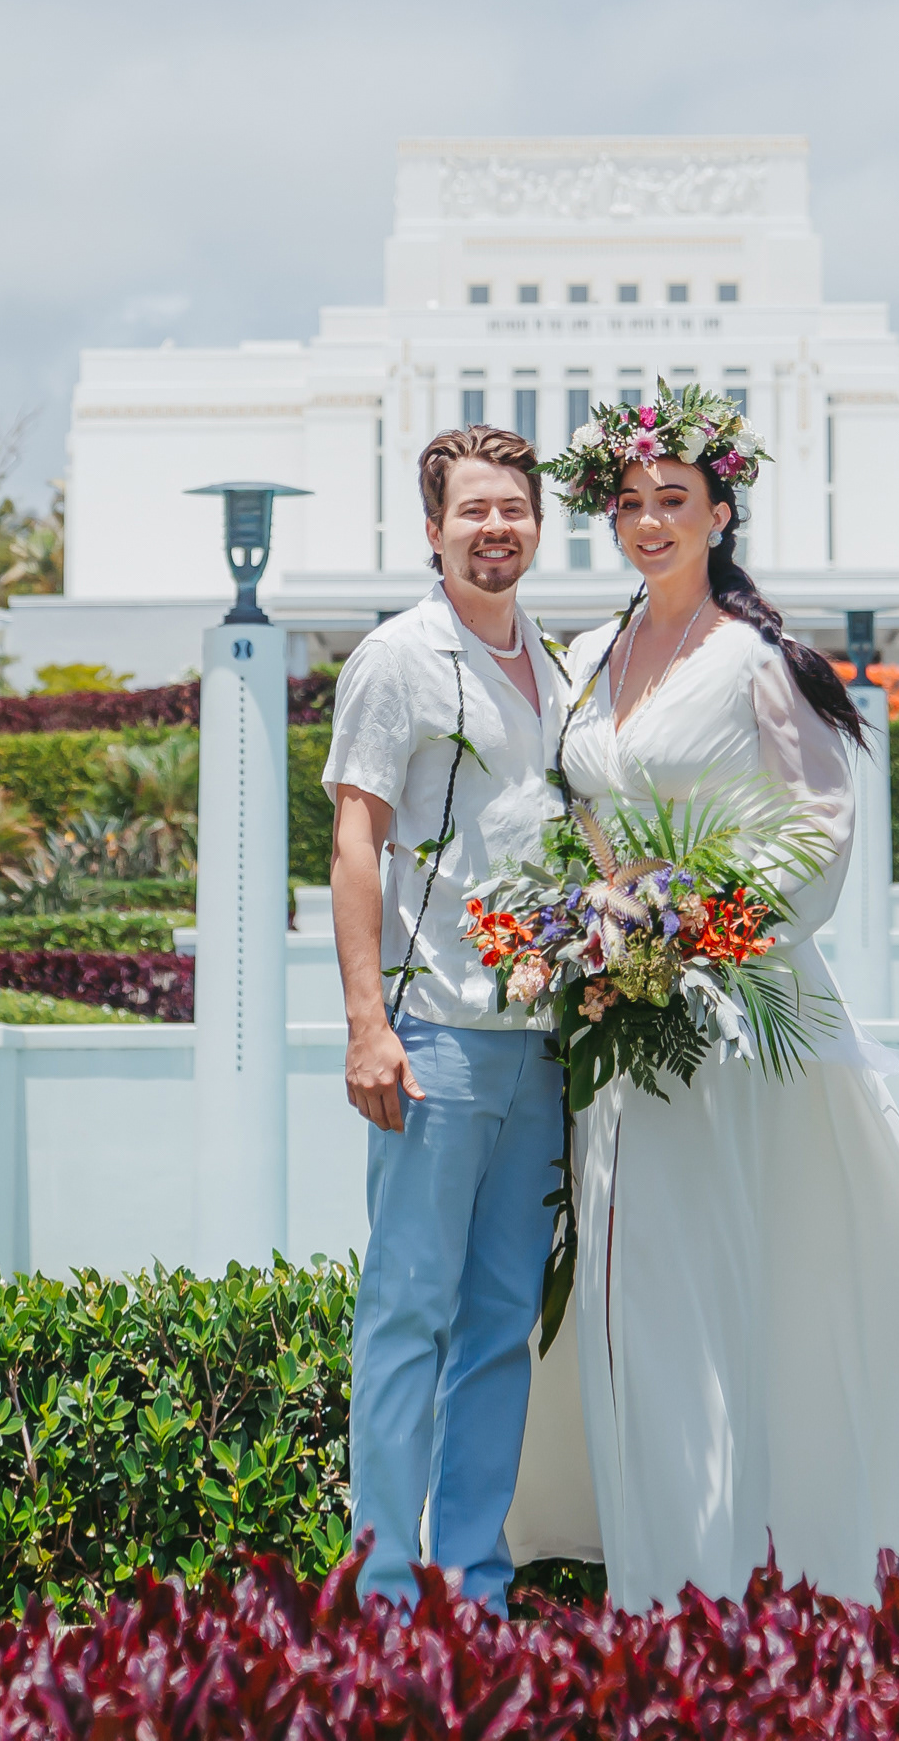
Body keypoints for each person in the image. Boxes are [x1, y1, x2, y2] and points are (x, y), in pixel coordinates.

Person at [518, 380, 899, 1610]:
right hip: (613, 1014)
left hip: (731, 1015)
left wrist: (698, 926)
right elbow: (561, 816)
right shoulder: (586, 657)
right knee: (628, 1286)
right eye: (629, 501)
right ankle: (654, 1587)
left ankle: (735, 1588)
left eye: (674, 498)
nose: (649, 521)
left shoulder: (760, 660)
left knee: (728, 1282)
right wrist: (577, 927)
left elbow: (819, 832)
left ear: (720, 513)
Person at [324, 423, 571, 1611]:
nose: (494, 527)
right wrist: (367, 1025)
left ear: (537, 524)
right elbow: (354, 841)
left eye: (512, 507)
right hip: (432, 1036)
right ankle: (382, 1593)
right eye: (472, 509)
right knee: (406, 1317)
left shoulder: (557, 666)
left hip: (543, 1044)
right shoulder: (396, 659)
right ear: (433, 529)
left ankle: (472, 1583)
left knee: (499, 1324)